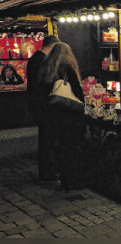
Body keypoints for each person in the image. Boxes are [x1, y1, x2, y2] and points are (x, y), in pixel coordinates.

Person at [38, 42, 86, 191]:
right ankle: (73, 181)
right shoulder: (67, 69)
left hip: (54, 116)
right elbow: (77, 92)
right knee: (72, 149)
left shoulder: (46, 69)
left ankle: (64, 180)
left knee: (61, 148)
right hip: (69, 116)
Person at [26, 35, 59, 181]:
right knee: (47, 139)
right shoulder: (42, 61)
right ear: (52, 46)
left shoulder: (34, 59)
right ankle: (48, 171)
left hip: (37, 104)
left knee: (45, 138)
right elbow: (44, 84)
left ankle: (46, 170)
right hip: (43, 105)